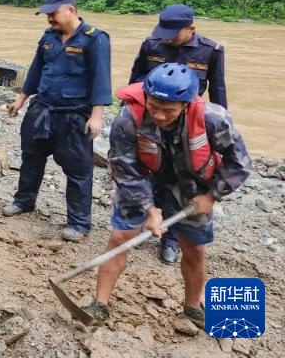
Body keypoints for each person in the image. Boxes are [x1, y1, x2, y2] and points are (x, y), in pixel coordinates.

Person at [80, 63, 251, 328]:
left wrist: (213, 196)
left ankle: (192, 308)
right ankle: (99, 305)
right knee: (119, 238)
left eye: (168, 110)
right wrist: (149, 208)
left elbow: (239, 163)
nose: (159, 115)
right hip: (142, 178)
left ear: (186, 104)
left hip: (191, 186)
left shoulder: (213, 119)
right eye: (154, 107)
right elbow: (124, 167)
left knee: (194, 248)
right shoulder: (129, 117)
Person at [3, 0, 111, 242]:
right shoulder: (48, 37)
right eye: (47, 14)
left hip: (74, 115)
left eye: (53, 13)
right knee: (31, 158)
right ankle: (24, 201)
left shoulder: (95, 39)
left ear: (71, 10)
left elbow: (101, 78)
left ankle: (78, 222)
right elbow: (36, 70)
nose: (49, 18)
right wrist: (20, 99)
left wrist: (97, 115)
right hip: (42, 109)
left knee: (78, 170)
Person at [128, 4, 228, 264]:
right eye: (165, 31)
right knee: (147, 172)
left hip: (187, 128)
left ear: (191, 29)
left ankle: (171, 239)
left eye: (174, 32)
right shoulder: (152, 44)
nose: (167, 37)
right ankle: (144, 220)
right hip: (152, 123)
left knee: (180, 181)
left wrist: (217, 135)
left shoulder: (211, 51)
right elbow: (135, 80)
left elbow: (218, 94)